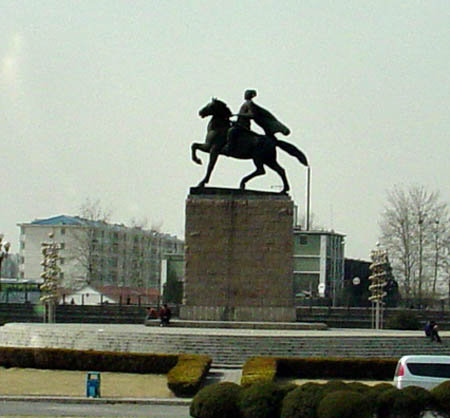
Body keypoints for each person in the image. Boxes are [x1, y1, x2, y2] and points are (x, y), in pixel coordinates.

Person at [226, 89, 290, 155]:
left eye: (247, 94)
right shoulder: (246, 103)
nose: (245, 95)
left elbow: (252, 115)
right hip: (239, 123)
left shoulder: (250, 104)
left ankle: (230, 147)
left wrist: (239, 114)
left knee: (232, 131)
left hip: (244, 126)